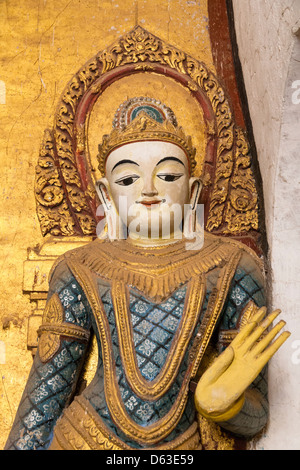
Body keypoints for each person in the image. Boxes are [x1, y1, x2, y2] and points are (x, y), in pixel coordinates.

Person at [5, 97, 290, 450]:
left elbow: (257, 416)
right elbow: (45, 397)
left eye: (169, 175)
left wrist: (223, 404)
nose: (150, 189)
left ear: (194, 190)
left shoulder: (234, 265)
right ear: (106, 195)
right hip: (88, 440)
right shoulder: (78, 267)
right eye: (128, 178)